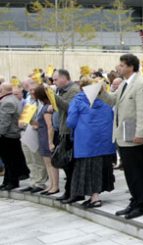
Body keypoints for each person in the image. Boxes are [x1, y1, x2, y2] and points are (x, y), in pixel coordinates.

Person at [99, 54, 143, 219]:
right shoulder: (123, 84)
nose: (119, 67)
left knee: (137, 172)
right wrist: (101, 92)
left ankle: (142, 204)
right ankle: (135, 200)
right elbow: (113, 100)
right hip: (122, 134)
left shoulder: (140, 83)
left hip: (133, 135)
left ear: (131, 67)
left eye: (122, 65)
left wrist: (141, 133)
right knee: (129, 172)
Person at [66, 77, 116, 207]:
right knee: (99, 169)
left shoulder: (77, 101)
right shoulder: (105, 101)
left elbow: (70, 122)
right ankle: (95, 196)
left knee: (88, 170)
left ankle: (95, 198)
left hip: (86, 143)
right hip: (104, 143)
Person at [52, 69, 82, 204]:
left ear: (64, 78)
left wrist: (54, 97)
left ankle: (74, 192)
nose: (54, 82)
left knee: (70, 164)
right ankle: (69, 191)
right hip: (64, 130)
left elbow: (70, 108)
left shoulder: (74, 90)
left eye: (55, 79)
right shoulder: (63, 90)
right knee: (67, 165)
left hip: (71, 132)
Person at [31, 85, 59, 195]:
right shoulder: (44, 106)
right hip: (42, 136)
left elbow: (49, 126)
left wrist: (50, 142)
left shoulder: (47, 107)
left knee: (51, 163)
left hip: (46, 138)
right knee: (47, 163)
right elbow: (41, 124)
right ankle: (51, 184)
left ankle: (55, 186)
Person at [0, 82, 27, 190]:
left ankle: (12, 181)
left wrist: (0, 133)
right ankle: (7, 181)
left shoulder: (8, 102)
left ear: (4, 90)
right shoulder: (13, 99)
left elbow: (4, 121)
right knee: (9, 160)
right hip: (12, 135)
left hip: (8, 135)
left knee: (9, 160)